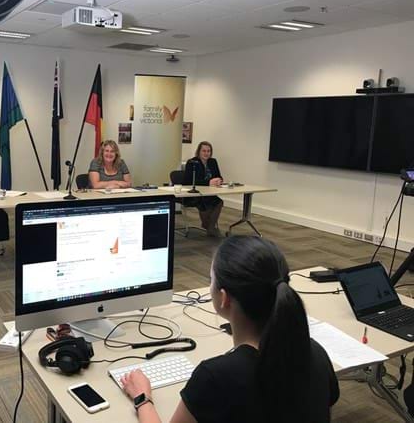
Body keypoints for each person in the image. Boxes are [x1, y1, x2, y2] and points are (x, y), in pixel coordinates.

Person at [121, 235, 340, 423]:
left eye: (211, 279)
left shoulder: (215, 377)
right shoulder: (314, 351)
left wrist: (142, 397)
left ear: (224, 298)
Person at [183, 141, 223, 237]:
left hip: (209, 192)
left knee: (218, 202)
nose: (206, 153)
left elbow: (218, 176)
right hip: (194, 194)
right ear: (199, 152)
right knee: (205, 203)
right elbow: (189, 181)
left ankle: (210, 227)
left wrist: (219, 180)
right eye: (204, 151)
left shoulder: (213, 162)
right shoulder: (192, 162)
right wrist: (208, 182)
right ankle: (210, 227)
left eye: (208, 151)